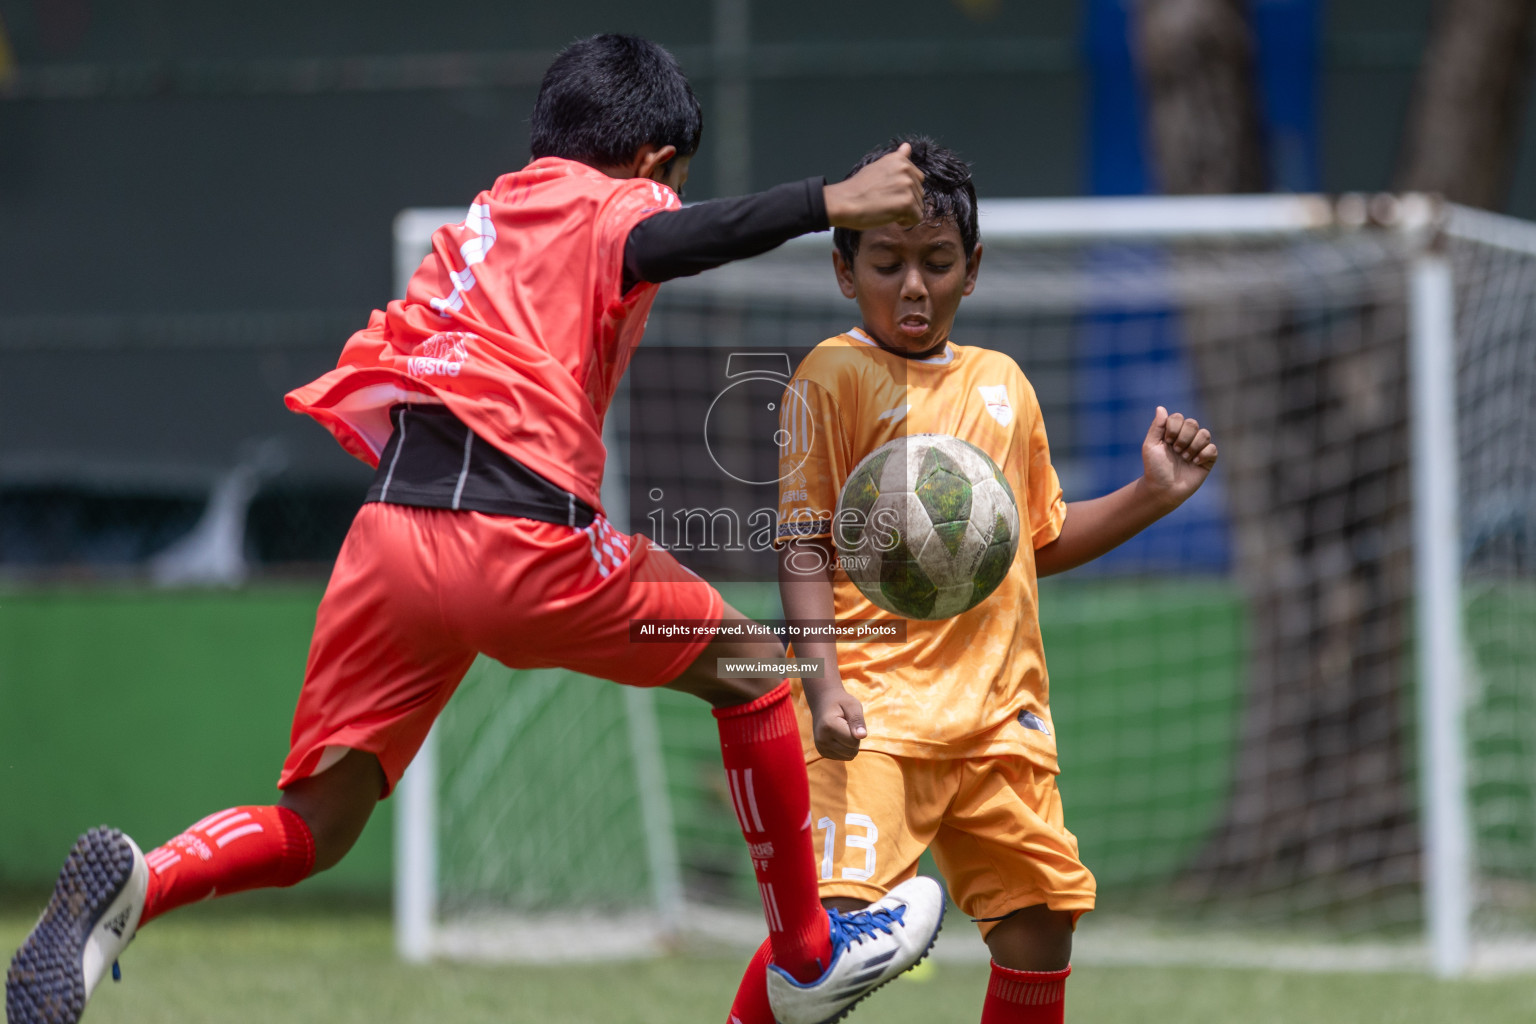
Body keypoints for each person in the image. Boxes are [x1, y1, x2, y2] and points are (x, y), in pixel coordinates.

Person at [4, 36, 947, 1024]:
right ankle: (804, 958)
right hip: (518, 534)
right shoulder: (613, 199)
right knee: (755, 668)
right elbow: (666, 241)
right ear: (658, 160)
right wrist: (827, 202)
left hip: (391, 537)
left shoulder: (490, 215)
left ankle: (137, 888)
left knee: (315, 825)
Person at [726, 137, 1219, 1024]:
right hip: (872, 712)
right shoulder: (830, 377)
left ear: (973, 268)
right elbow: (800, 542)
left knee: (1040, 926)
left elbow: (1039, 540)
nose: (912, 286)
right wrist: (823, 682)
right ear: (846, 271)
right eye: (887, 262)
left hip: (999, 716)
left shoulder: (1004, 385)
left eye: (936, 262)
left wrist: (1152, 493)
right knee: (828, 937)